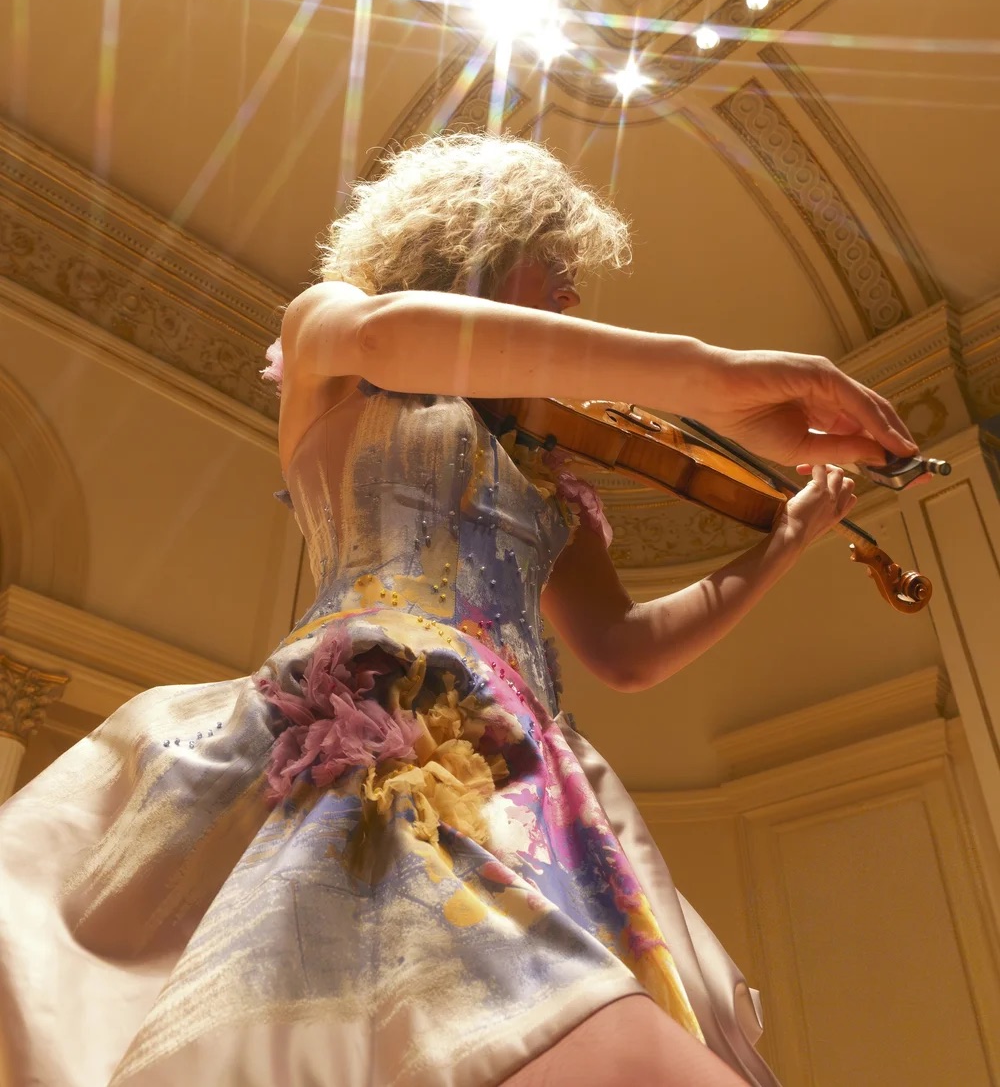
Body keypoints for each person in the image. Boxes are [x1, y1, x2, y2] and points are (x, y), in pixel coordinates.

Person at [0, 133, 916, 1087]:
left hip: (519, 763)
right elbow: (393, 336)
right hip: (374, 713)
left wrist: (782, 544)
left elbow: (625, 650)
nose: (571, 291)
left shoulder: (546, 470)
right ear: (480, 243)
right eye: (552, 261)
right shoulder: (333, 331)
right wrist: (717, 381)